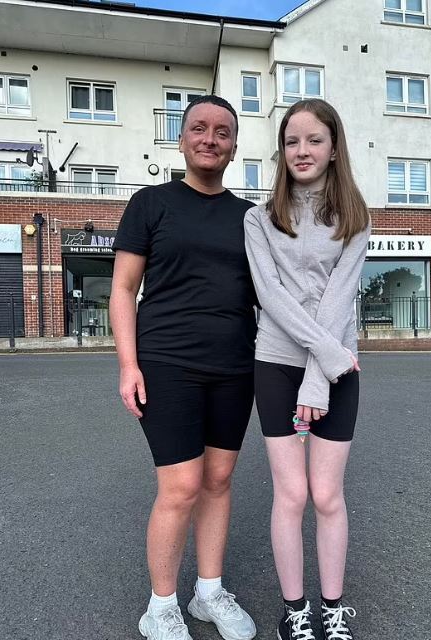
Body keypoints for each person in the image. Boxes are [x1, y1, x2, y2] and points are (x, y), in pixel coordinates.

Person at [110, 95, 257, 640]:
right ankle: (161, 605)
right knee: (181, 486)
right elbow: (123, 289)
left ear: (234, 146)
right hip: (167, 362)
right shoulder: (150, 203)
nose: (210, 138)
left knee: (218, 480)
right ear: (181, 139)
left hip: (234, 366)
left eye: (222, 131)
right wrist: (129, 364)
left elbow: (273, 295)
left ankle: (209, 592)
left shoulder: (250, 217)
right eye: (199, 128)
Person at [244, 98, 371, 640]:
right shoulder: (258, 218)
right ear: (281, 150)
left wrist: (322, 376)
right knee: (291, 495)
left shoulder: (355, 218)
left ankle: (333, 609)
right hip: (275, 363)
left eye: (314, 140)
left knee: (327, 496)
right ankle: (295, 612)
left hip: (337, 371)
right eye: (292, 141)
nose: (302, 150)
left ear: (334, 147)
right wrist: (322, 361)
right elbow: (271, 297)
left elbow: (340, 299)